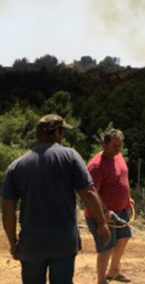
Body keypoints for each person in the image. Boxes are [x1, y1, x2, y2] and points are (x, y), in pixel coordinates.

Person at [2, 114, 111, 284]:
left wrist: (13, 241)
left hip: (32, 243)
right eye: (62, 131)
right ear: (57, 133)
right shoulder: (70, 157)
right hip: (63, 242)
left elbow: (8, 208)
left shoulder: (16, 166)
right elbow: (88, 193)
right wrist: (101, 223)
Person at [85, 129, 134, 284]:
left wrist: (127, 197)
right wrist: (104, 211)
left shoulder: (118, 156)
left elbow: (122, 178)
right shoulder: (96, 165)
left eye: (120, 145)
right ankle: (101, 280)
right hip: (101, 214)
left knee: (124, 237)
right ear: (104, 145)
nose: (118, 149)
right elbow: (92, 193)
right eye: (114, 146)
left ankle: (114, 271)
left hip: (121, 209)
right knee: (106, 247)